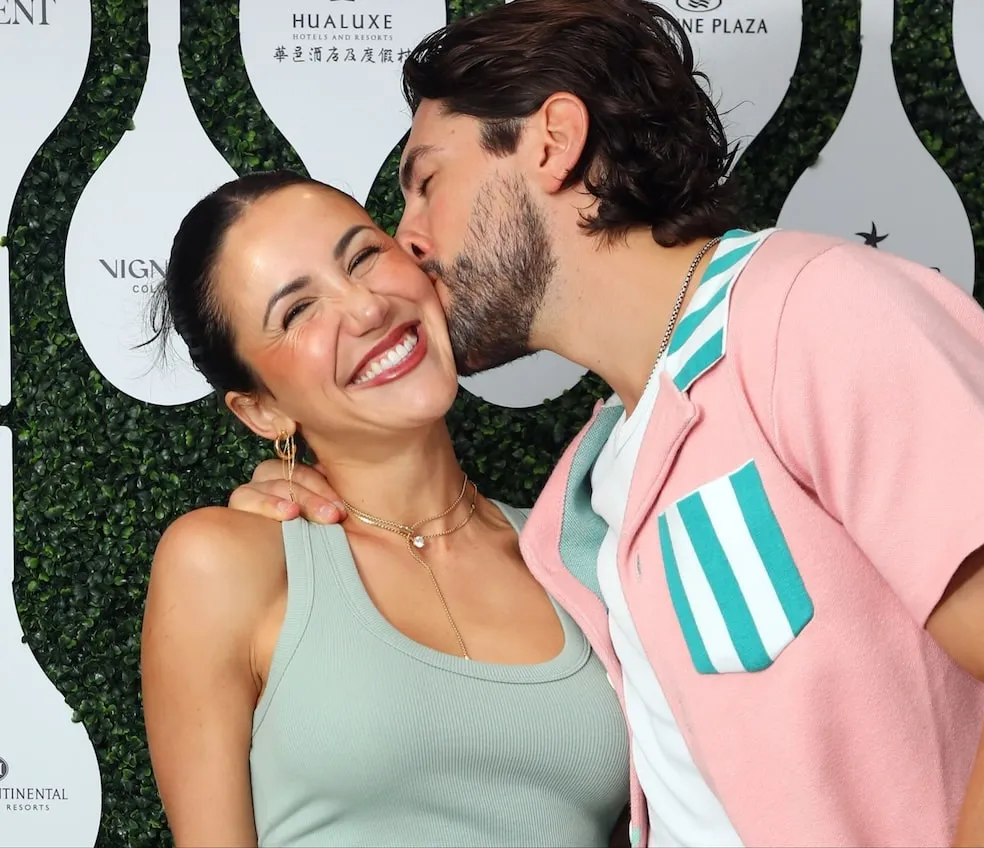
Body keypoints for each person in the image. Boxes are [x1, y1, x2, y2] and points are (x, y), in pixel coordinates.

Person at [225, 1, 984, 846]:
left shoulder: (816, 314)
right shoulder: (580, 497)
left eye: (427, 180)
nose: (411, 236)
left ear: (551, 140)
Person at [138, 170, 631, 848]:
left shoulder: (575, 548)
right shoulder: (223, 563)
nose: (366, 308)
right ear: (261, 408)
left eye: (364, 256)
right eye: (297, 311)